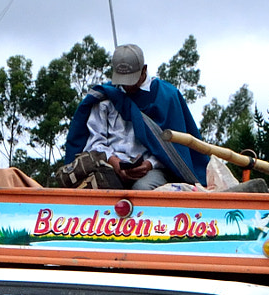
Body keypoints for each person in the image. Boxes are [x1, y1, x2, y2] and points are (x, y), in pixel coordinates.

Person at [59, 43, 208, 190]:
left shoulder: (167, 96)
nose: (127, 86)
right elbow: (95, 142)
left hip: (152, 169)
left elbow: (174, 149)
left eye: (131, 80)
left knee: (142, 189)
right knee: (93, 190)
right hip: (109, 166)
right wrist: (114, 162)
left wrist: (148, 164)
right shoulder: (105, 97)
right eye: (123, 80)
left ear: (144, 70)